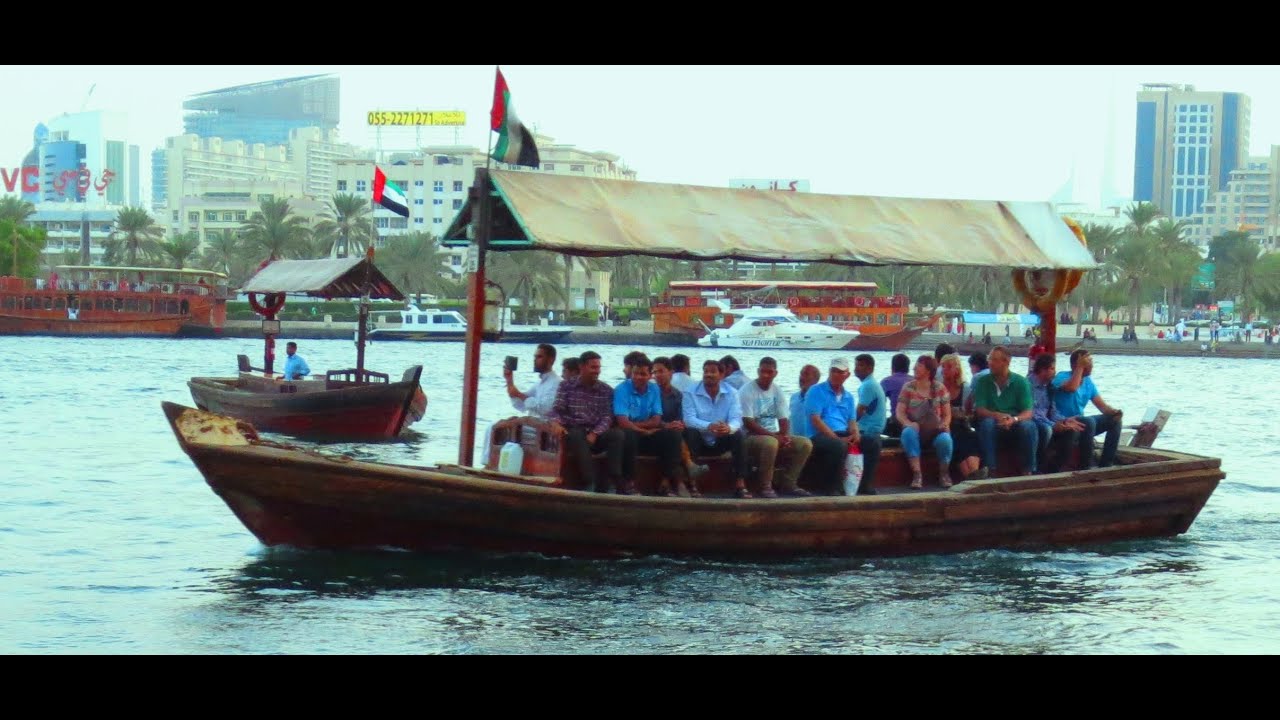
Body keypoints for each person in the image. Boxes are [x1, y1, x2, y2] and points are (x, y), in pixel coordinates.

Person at [547, 351, 627, 494]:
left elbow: (607, 417)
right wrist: (556, 423)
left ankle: (613, 480)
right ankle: (589, 481)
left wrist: (595, 433)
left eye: (598, 368)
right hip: (574, 430)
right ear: (582, 367)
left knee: (617, 435)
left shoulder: (606, 390)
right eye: (593, 367)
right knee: (576, 435)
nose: (597, 371)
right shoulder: (566, 386)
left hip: (596, 432)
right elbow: (556, 410)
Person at [739, 357, 814, 498]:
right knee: (771, 443)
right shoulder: (747, 390)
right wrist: (774, 437)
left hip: (772, 434)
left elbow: (783, 418)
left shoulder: (777, 390)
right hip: (749, 437)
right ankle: (765, 485)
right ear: (758, 371)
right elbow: (748, 422)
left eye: (769, 372)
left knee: (804, 443)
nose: (765, 375)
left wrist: (784, 436)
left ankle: (789, 483)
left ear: (775, 373)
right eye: (762, 371)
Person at [613, 355, 680, 496]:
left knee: (672, 435)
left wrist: (642, 427)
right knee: (628, 434)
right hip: (631, 433)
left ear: (650, 375)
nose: (638, 377)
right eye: (635, 373)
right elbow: (622, 421)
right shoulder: (622, 389)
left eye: (643, 374)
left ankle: (665, 483)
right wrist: (641, 430)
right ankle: (629, 483)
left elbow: (656, 419)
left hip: (647, 432)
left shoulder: (654, 389)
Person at [683, 359, 750, 498]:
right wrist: (709, 426)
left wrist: (728, 428)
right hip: (699, 438)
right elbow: (688, 419)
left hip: (721, 438)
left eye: (713, 371)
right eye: (706, 371)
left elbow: (736, 419)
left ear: (721, 374)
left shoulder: (732, 393)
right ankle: (692, 484)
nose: (708, 374)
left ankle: (740, 484)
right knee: (691, 432)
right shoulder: (690, 392)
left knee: (738, 435)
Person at [972, 345, 1039, 475]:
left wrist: (1013, 419)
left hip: (1014, 422)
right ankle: (990, 469)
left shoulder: (1021, 382)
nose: (990, 363)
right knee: (987, 424)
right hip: (993, 421)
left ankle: (1028, 470)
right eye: (989, 359)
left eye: (994, 360)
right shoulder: (983, 381)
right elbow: (980, 409)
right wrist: (997, 415)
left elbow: (1028, 412)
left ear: (1006, 362)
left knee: (1028, 426)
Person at [1051, 349, 1123, 469]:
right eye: (1087, 362)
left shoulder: (1088, 382)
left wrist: (1114, 412)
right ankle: (1085, 466)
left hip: (1080, 423)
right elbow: (1072, 388)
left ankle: (1106, 464)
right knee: (1088, 422)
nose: (1091, 365)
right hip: (1063, 422)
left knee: (1114, 421)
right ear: (1076, 364)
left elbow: (1102, 407)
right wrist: (1080, 367)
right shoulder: (1062, 376)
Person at [804, 357, 861, 495]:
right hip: (818, 435)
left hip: (841, 432)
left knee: (872, 442)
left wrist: (855, 434)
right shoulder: (816, 391)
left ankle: (863, 485)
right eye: (833, 371)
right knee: (838, 445)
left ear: (847, 375)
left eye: (839, 372)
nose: (835, 374)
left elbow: (852, 420)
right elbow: (816, 420)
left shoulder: (848, 396)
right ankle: (832, 488)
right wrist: (836, 438)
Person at [652, 356, 708, 496]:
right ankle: (679, 481)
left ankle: (688, 478)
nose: (657, 375)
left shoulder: (677, 395)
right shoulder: (650, 392)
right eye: (655, 372)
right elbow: (649, 417)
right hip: (655, 430)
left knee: (691, 432)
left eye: (661, 371)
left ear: (671, 372)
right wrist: (666, 425)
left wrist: (679, 424)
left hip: (673, 431)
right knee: (673, 436)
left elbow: (682, 417)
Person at [895, 355, 953, 489]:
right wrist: (908, 423)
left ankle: (944, 473)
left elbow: (947, 414)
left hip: (934, 431)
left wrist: (944, 424)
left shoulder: (939, 388)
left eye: (919, 366)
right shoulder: (908, 387)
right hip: (916, 429)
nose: (914, 368)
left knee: (945, 439)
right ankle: (917, 474)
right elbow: (900, 412)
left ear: (928, 370)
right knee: (908, 433)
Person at [1028, 353, 1089, 473]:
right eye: (1051, 368)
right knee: (1046, 430)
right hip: (1031, 421)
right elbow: (1033, 412)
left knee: (1073, 429)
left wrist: (1064, 420)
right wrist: (1053, 425)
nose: (1054, 372)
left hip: (1046, 421)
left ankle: (1055, 468)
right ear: (1042, 370)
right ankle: (1037, 467)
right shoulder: (1029, 385)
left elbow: (1053, 410)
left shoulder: (1048, 387)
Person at [851, 354, 885, 495]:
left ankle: (862, 484)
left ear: (870, 368)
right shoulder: (871, 383)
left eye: (860, 366)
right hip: (873, 430)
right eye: (856, 365)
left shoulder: (868, 385)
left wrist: (847, 426)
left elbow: (859, 411)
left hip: (868, 430)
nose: (856, 369)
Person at [505, 343, 560, 419]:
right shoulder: (539, 384)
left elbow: (545, 409)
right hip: (534, 424)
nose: (535, 360)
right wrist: (509, 379)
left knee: (495, 427)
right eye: (535, 357)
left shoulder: (556, 382)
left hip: (545, 427)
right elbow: (520, 404)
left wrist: (519, 395)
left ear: (551, 360)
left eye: (539, 357)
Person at [879, 353, 911, 438]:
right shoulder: (915, 380)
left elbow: (879, 403)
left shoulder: (887, 381)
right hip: (915, 421)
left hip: (896, 422)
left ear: (892, 367)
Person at [788, 364, 821, 440]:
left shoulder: (820, 399)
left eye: (806, 374)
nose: (801, 377)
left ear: (816, 380)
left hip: (812, 442)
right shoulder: (794, 397)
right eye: (801, 374)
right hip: (794, 441)